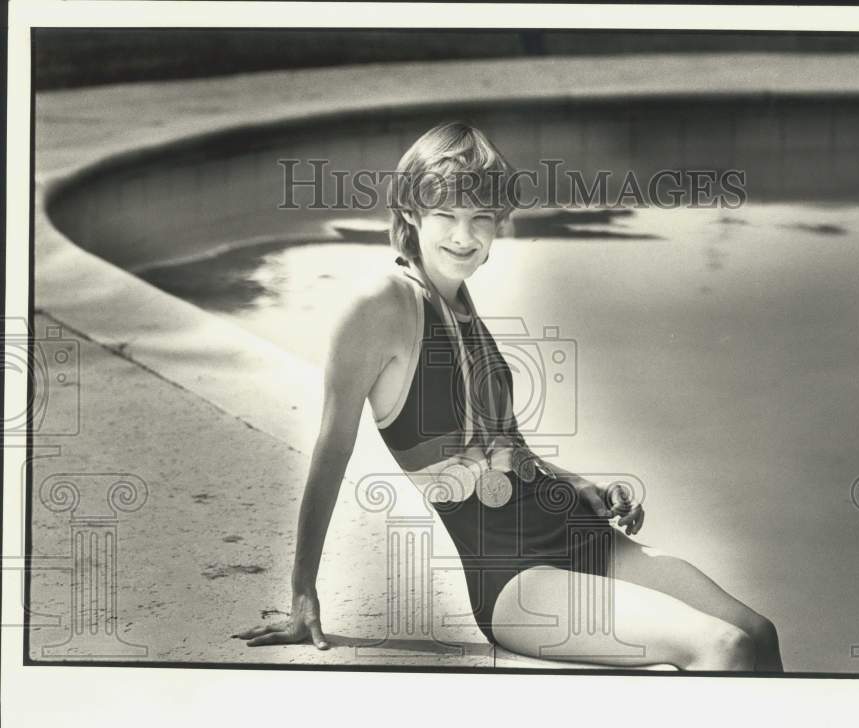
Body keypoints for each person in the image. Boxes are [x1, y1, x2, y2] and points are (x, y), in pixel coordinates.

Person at [235, 122, 783, 672]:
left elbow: (501, 445)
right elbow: (332, 449)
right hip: (516, 577)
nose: (463, 236)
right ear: (409, 213)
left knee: (757, 632)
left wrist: (577, 483)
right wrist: (303, 592)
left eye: (480, 219)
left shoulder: (461, 304)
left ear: (499, 224)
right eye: (446, 215)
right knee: (721, 648)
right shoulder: (382, 305)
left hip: (576, 531)